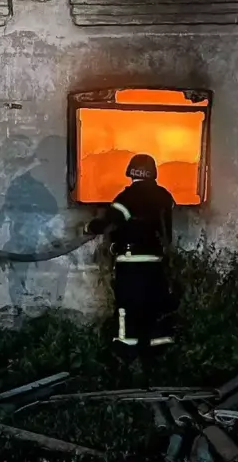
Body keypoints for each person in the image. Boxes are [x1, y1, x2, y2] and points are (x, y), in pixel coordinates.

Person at [83, 154, 177, 361]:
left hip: (131, 262)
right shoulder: (164, 196)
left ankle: (127, 356)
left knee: (128, 308)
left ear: (131, 173)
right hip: (157, 263)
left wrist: (88, 227)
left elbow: (107, 222)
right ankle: (160, 358)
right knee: (157, 308)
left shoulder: (126, 198)